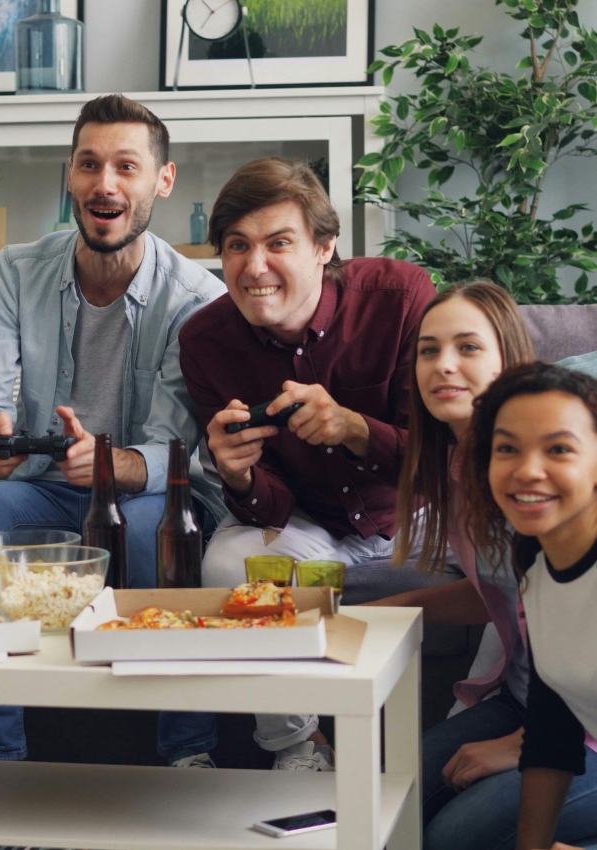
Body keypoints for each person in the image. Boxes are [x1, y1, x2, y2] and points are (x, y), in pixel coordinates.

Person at [0, 94, 226, 763]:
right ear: (69, 176)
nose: (106, 184)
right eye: (89, 165)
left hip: (147, 496)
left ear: (163, 180)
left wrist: (108, 462)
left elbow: (176, 452)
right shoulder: (11, 271)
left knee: (169, 538)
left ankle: (188, 753)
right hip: (43, 487)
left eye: (127, 166)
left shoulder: (198, 301)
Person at [176, 156, 437, 770]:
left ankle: (493, 725)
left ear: (325, 247)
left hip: (417, 513)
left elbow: (440, 462)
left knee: (513, 549)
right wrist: (236, 474)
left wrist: (354, 429)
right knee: (226, 558)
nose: (254, 266)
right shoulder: (204, 341)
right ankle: (297, 748)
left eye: (278, 243)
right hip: (312, 523)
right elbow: (269, 503)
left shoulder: (401, 298)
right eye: (237, 246)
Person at [371, 283, 597, 849]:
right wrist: (373, 614)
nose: (443, 365)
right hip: (529, 701)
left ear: (509, 361)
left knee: (451, 837)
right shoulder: (463, 469)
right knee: (382, 799)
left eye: (468, 347)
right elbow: (506, 595)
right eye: (428, 349)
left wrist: (524, 744)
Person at [464, 362, 597, 850]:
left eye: (559, 448)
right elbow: (553, 721)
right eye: (507, 449)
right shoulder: (536, 555)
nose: (527, 470)